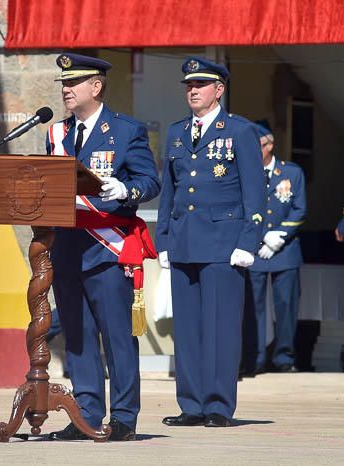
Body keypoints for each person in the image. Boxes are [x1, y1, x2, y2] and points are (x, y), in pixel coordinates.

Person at [45, 53, 160, 441]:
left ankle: (124, 416)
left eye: (73, 83)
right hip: (67, 248)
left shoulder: (125, 131)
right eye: (63, 83)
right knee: (76, 338)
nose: (66, 89)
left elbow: (150, 181)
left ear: (95, 87)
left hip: (107, 250)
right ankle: (87, 413)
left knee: (116, 338)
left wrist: (127, 189)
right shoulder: (56, 134)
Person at [156, 57, 264, 428]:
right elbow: (169, 191)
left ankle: (218, 404)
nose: (193, 90)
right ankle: (191, 404)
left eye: (200, 85)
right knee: (187, 329)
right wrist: (164, 240)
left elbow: (255, 192)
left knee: (220, 329)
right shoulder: (176, 132)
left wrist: (248, 242)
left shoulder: (240, 131)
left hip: (223, 242)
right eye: (189, 85)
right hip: (185, 241)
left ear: (219, 90)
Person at [241, 120, 306, 375]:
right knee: (252, 308)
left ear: (270, 145)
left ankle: (284, 358)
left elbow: (300, 208)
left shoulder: (291, 172)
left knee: (286, 306)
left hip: (285, 249)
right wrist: (258, 237)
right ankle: (254, 359)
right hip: (255, 249)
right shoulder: (246, 173)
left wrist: (279, 235)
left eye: (257, 146)